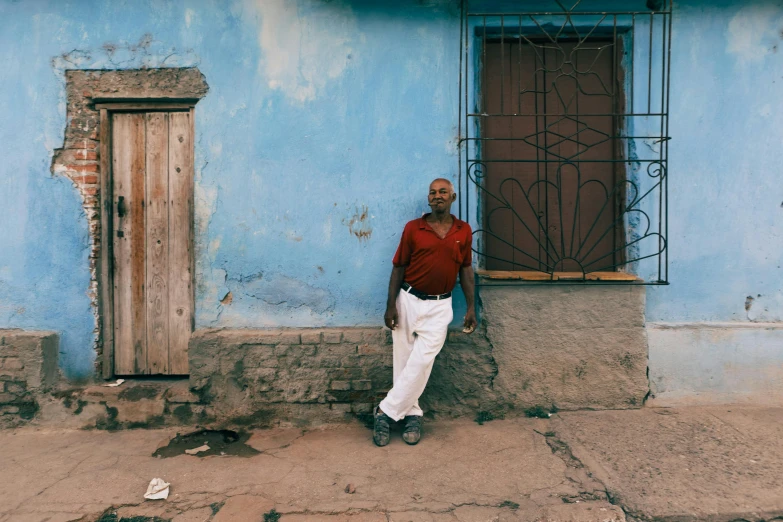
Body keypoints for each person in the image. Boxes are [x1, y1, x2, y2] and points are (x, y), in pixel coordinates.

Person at [374, 178, 477, 446]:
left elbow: (466, 269)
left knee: (422, 361)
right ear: (428, 199)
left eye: (443, 192)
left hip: (440, 305)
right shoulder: (413, 228)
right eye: (432, 193)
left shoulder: (463, 231)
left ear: (452, 197)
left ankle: (384, 412)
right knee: (404, 362)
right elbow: (398, 266)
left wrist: (471, 307)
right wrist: (390, 305)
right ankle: (412, 416)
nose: (437, 196)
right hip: (407, 300)